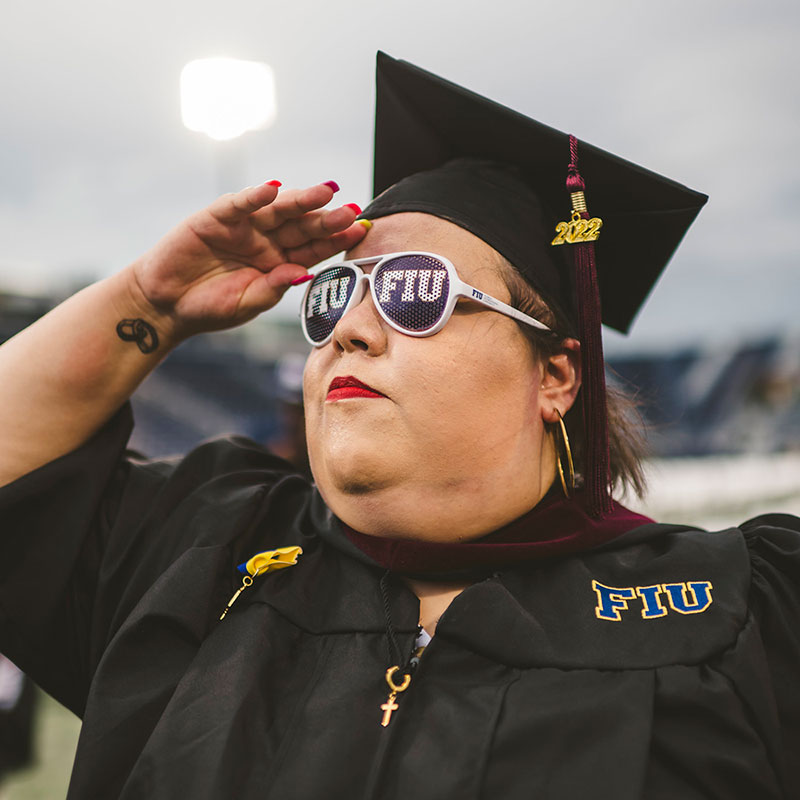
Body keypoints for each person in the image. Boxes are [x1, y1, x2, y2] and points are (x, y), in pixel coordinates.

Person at [0, 52, 798, 800]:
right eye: (332, 294)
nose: (350, 326)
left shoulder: (741, 612)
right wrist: (148, 301)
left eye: (414, 291)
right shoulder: (202, 548)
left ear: (554, 376)